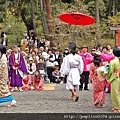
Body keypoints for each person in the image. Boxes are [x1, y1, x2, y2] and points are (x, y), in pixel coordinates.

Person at [106, 47, 120, 113]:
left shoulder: (113, 61)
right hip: (118, 75)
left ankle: (117, 107)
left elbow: (110, 71)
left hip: (115, 77)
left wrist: (107, 77)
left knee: (115, 93)